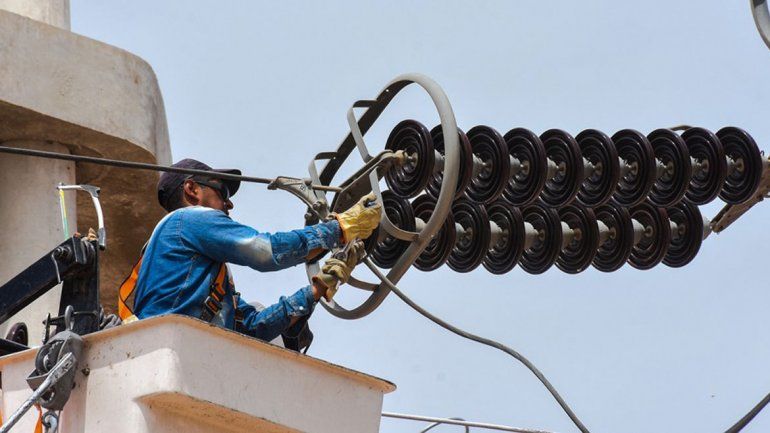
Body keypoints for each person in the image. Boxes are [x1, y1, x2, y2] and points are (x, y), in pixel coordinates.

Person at [119, 158, 381, 343]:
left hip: (187, 352)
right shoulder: (187, 221)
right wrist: (339, 228)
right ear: (192, 190)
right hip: (173, 346)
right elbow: (264, 250)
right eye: (222, 191)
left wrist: (318, 288)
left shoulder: (199, 265)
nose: (229, 203)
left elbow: (252, 327)